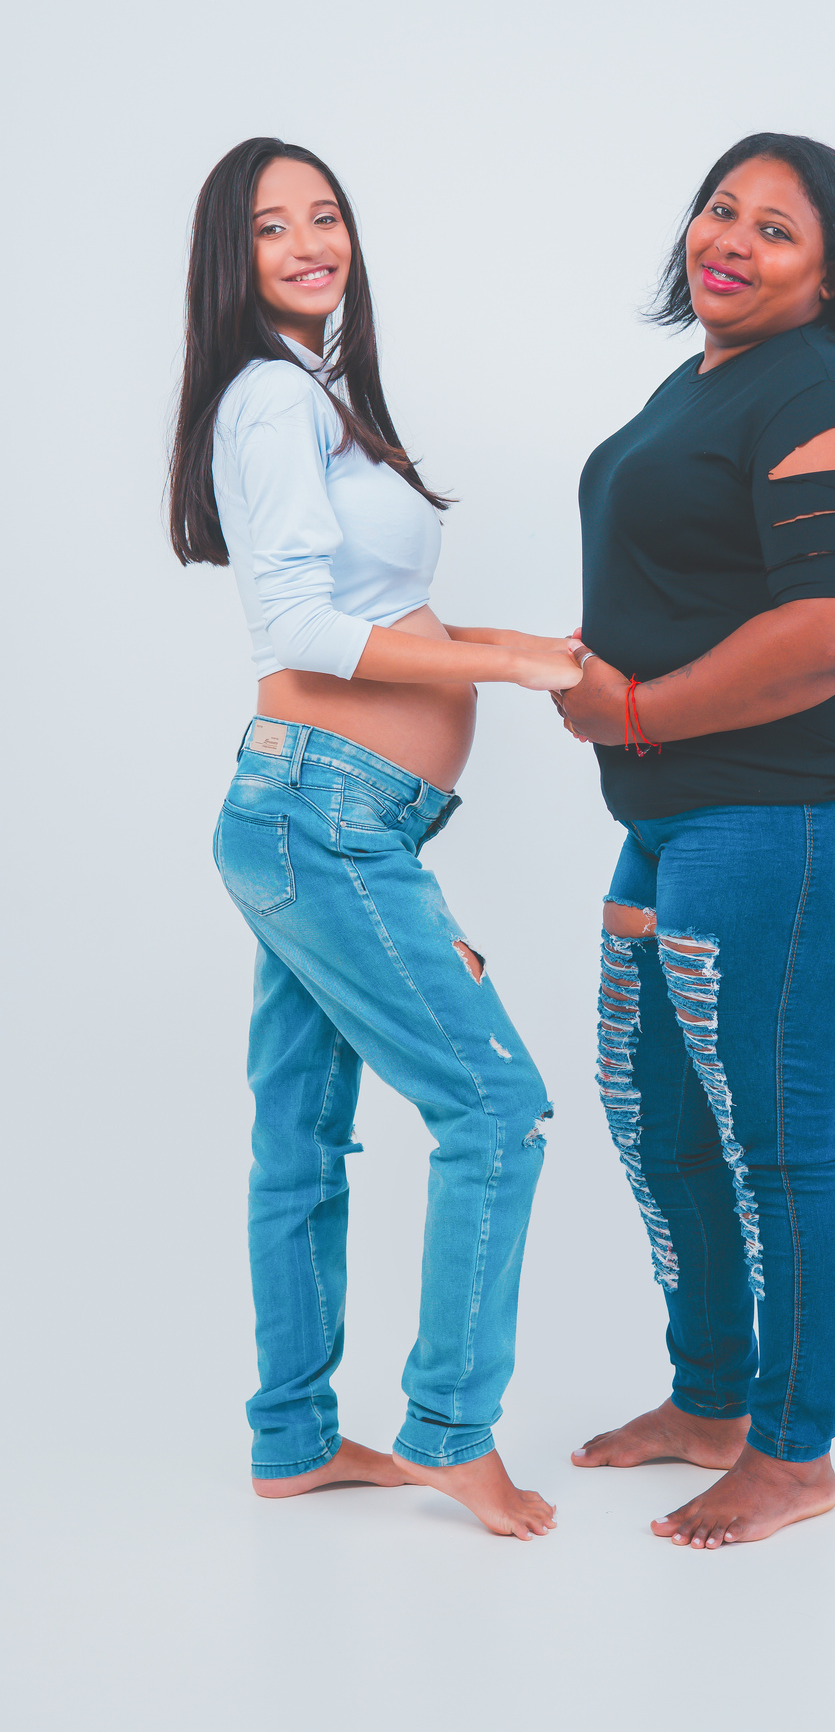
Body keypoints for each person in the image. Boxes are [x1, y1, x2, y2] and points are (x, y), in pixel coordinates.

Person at [169, 137, 581, 1538]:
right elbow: (293, 625)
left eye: (326, 215)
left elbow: (386, 613)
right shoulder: (270, 398)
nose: (309, 243)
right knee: (496, 1110)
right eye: (271, 226)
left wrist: (522, 643)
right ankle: (451, 1432)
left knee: (300, 1141)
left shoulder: (313, 393)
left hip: (315, 814)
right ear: (231, 257)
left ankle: (292, 1442)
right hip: (324, 820)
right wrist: (498, 671)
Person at [557, 133, 835, 1548]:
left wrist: (635, 710)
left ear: (832, 276)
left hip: (802, 816)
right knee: (659, 1119)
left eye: (776, 229)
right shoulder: (713, 378)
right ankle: (712, 1400)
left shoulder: (825, 394)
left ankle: (792, 1453)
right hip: (687, 813)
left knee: (781, 1145)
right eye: (721, 209)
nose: (730, 239)